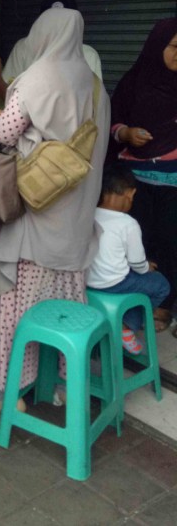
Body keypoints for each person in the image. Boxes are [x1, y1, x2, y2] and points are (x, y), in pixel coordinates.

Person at [0, 8, 110, 412]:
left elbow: (1, 133)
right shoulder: (97, 85)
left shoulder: (35, 80)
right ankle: (65, 383)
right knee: (67, 303)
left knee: (16, 303)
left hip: (35, 215)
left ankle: (8, 390)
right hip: (76, 221)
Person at [110, 18, 177, 333]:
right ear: (157, 46)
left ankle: (165, 304)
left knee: (170, 240)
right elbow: (113, 119)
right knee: (140, 240)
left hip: (173, 180)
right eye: (175, 47)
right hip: (136, 180)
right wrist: (126, 133)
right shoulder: (134, 81)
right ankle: (141, 301)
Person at [86, 164, 170, 354]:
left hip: (89, 282)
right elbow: (137, 264)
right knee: (161, 285)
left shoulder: (90, 213)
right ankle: (127, 326)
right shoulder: (128, 223)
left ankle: (120, 321)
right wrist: (147, 267)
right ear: (130, 194)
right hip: (116, 284)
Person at [2, 0, 102, 83]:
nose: (56, 25)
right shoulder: (23, 48)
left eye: (63, 20)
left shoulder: (88, 55)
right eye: (50, 19)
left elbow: (94, 99)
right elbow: (9, 92)